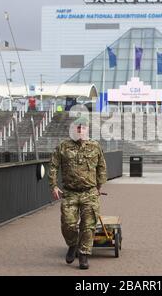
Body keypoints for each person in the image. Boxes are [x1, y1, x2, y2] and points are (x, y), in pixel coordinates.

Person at [48, 116, 107, 270]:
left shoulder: (95, 146)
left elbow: (101, 166)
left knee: (89, 226)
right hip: (70, 193)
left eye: (83, 127)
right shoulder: (63, 146)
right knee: (68, 224)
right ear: (73, 129)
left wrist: (100, 185)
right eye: (78, 127)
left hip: (90, 193)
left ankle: (83, 255)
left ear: (88, 129)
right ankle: (72, 245)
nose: (80, 130)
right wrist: (53, 185)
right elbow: (53, 166)